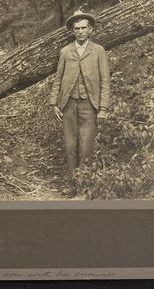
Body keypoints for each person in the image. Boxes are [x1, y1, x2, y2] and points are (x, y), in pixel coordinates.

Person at [48, 10, 111, 196]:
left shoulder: (98, 50)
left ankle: (85, 185)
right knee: (70, 145)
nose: (81, 31)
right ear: (72, 31)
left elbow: (105, 80)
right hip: (68, 104)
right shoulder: (65, 51)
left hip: (89, 105)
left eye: (84, 28)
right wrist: (53, 103)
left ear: (90, 29)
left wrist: (103, 107)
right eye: (77, 28)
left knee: (86, 146)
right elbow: (58, 79)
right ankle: (73, 184)